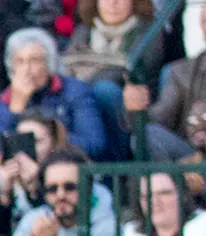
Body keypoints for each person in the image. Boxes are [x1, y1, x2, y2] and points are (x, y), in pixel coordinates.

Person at [130, 0, 206, 161]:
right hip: (193, 157)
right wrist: (136, 111)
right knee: (147, 135)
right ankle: (175, 183)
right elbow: (160, 120)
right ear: (202, 28)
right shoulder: (182, 72)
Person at [0, 29, 107, 160]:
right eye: (20, 61)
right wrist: (14, 111)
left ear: (49, 63)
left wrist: (51, 136)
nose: (26, 69)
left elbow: (94, 145)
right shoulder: (7, 98)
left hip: (67, 168)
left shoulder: (75, 90)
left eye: (34, 60)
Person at [62, 0, 149, 158]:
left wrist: (86, 79)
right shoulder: (83, 31)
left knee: (104, 91)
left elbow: (129, 72)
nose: (113, 3)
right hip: (83, 104)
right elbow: (68, 68)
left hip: (124, 116)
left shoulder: (146, 32)